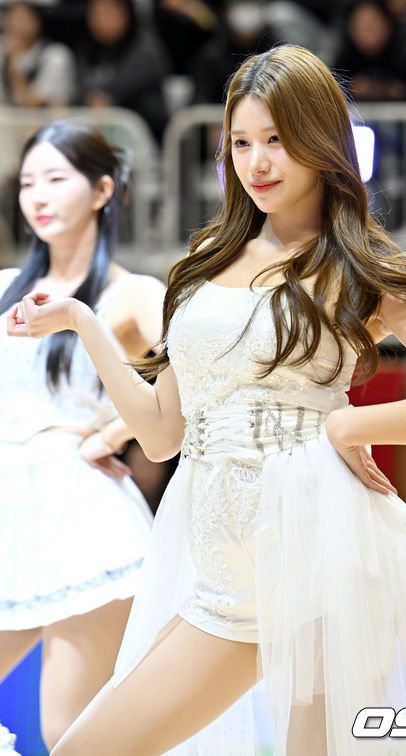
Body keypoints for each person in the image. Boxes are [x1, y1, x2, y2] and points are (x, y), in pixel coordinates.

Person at [9, 45, 406, 755]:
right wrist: (83, 324)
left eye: (277, 139)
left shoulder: (357, 263)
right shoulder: (204, 262)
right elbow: (161, 434)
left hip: (322, 544)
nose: (258, 162)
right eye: (241, 143)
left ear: (319, 139)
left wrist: (347, 426)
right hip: (222, 567)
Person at [0, 121, 166, 750]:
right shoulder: (4, 288)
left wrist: (116, 432)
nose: (38, 196)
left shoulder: (133, 294)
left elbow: (201, 374)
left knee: (67, 734)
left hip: (82, 516)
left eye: (55, 178)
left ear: (102, 190)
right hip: (9, 513)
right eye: (27, 183)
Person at [75, 0, 169, 141]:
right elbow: (80, 89)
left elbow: (119, 87)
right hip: (99, 136)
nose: (99, 20)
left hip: (146, 135)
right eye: (94, 14)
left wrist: (101, 97)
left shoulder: (146, 49)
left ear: (125, 14)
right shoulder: (88, 50)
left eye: (107, 13)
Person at [0, 2, 75, 106]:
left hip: (46, 115)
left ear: (37, 22)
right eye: (12, 19)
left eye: (22, 19)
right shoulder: (2, 49)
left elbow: (32, 104)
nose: (16, 25)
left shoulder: (55, 55)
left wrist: (12, 68)